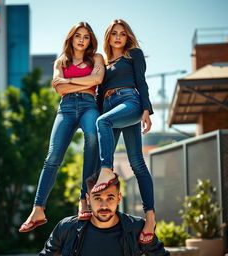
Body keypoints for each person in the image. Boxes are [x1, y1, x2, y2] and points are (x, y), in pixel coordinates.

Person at [19, 22, 105, 232]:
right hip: (65, 108)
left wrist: (70, 81)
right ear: (71, 38)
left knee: (93, 136)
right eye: (78, 36)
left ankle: (84, 200)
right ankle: (38, 209)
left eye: (86, 36)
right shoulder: (61, 61)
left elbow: (98, 78)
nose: (82, 40)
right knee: (52, 157)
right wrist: (86, 81)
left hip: (88, 105)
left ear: (90, 40)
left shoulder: (97, 58)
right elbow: (58, 86)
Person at [92, 19, 156, 244]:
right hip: (109, 106)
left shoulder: (133, 55)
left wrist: (146, 110)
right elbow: (99, 95)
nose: (118, 37)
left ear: (127, 37)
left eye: (122, 33)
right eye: (114, 34)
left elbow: (142, 82)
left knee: (104, 124)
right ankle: (150, 218)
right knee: (137, 162)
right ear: (108, 37)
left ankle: (107, 171)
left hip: (129, 101)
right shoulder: (104, 64)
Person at [39, 171, 169, 256]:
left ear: (119, 198)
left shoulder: (137, 228)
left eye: (110, 198)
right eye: (97, 198)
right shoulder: (67, 228)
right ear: (88, 199)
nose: (104, 206)